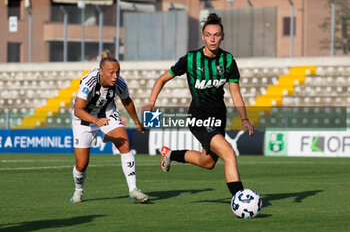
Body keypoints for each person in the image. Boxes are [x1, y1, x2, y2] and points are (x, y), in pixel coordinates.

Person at [142, 13, 254, 197]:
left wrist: (244, 118)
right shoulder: (191, 59)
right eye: (208, 35)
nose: (212, 39)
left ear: (222, 37)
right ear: (203, 36)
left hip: (218, 117)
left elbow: (235, 92)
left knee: (207, 163)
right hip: (199, 117)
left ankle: (170, 154)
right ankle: (240, 199)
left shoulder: (228, 60)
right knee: (229, 154)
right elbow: (162, 79)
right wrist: (151, 102)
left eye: (216, 35)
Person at [70, 51, 148, 203]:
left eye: (117, 72)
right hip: (84, 117)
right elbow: (78, 110)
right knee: (82, 164)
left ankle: (133, 190)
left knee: (124, 144)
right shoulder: (88, 81)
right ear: (101, 72)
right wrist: (95, 120)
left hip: (107, 112)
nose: (115, 76)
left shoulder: (119, 83)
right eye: (111, 72)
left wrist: (137, 122)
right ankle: (78, 191)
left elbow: (127, 101)